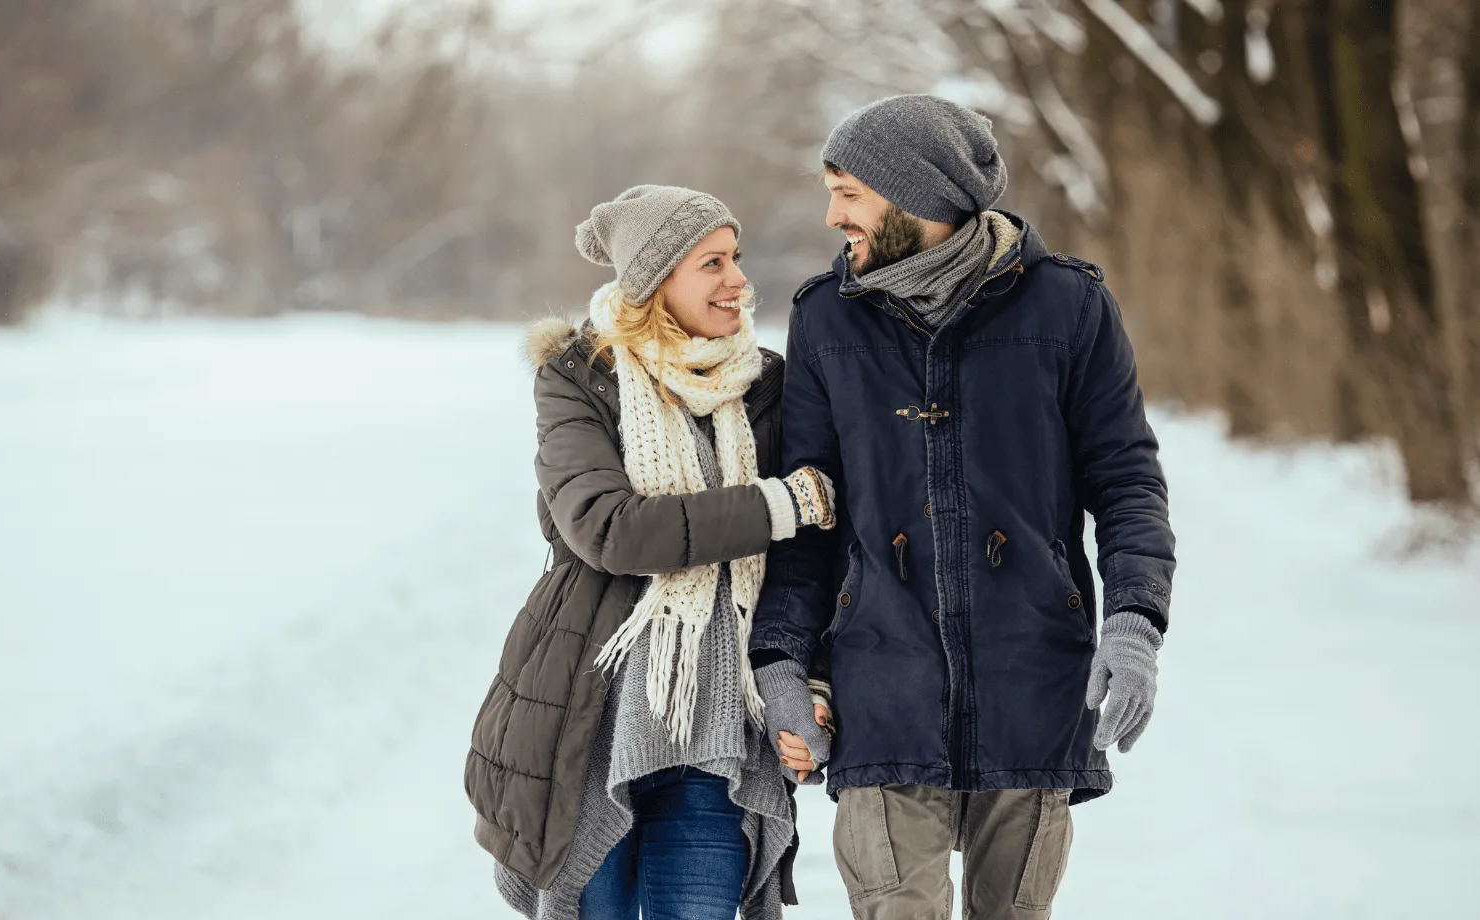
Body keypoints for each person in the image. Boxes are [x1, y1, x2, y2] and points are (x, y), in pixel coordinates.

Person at [749, 95, 1178, 920]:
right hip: (880, 677)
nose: (831, 214)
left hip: (1035, 675)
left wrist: (1134, 623)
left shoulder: (1070, 308)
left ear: (916, 194)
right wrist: (782, 663)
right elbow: (807, 517)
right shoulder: (826, 318)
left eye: (848, 191)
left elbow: (1126, 482)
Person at [466, 185, 839, 920]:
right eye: (712, 263)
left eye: (736, 259)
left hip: (719, 739)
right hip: (594, 725)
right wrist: (780, 504)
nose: (738, 280)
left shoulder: (766, 386)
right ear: (655, 278)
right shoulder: (578, 378)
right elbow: (610, 530)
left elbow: (810, 564)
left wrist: (813, 685)